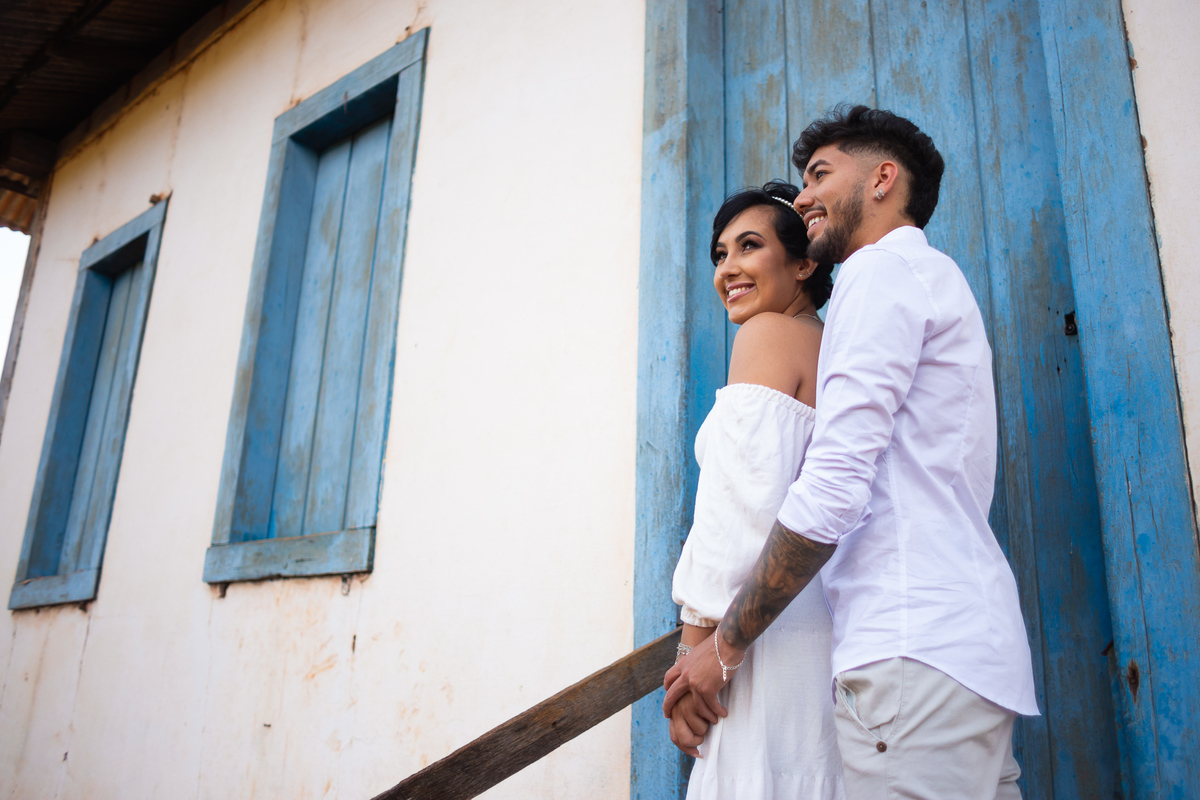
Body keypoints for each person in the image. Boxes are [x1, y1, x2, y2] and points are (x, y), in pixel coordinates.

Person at [663, 105, 1039, 800]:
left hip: (902, 652)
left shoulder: (875, 277)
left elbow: (801, 494)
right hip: (959, 647)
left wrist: (713, 644)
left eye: (819, 174)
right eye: (720, 253)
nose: (803, 195)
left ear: (882, 180)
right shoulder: (930, 286)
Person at [668, 180, 844, 799]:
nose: (729, 268)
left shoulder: (767, 335)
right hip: (823, 630)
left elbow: (738, 514)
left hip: (760, 643)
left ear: (804, 263)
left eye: (749, 246)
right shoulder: (833, 350)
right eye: (719, 254)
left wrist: (695, 658)